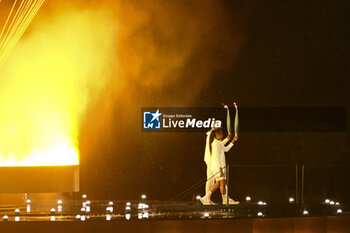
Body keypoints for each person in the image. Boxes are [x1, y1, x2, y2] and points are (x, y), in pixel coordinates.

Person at [200, 128, 239, 205]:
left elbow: (226, 149)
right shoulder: (215, 144)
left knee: (220, 183)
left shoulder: (218, 143)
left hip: (220, 166)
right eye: (221, 134)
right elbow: (216, 157)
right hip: (219, 167)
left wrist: (233, 140)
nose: (222, 136)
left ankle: (209, 198)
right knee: (221, 183)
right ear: (216, 135)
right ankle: (207, 198)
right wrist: (220, 169)